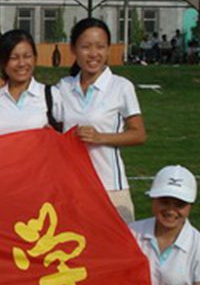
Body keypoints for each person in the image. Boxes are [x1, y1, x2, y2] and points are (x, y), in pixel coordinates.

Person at [56, 17, 146, 223]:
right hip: (72, 187)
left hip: (110, 187)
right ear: (73, 49)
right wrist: (1, 82)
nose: (93, 53)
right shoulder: (63, 87)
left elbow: (139, 134)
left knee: (120, 242)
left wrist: (100, 137)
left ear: (108, 49)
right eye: (86, 47)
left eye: (100, 47)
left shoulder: (121, 86)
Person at [0, 29, 59, 138]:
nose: (21, 63)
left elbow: (66, 137)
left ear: (35, 58)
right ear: (2, 62)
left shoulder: (52, 95)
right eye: (13, 58)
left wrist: (55, 136)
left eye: (27, 56)